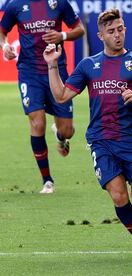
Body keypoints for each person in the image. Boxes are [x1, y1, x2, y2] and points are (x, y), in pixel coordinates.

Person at [43, 8, 132, 260]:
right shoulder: (89, 65)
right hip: (101, 141)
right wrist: (52, 65)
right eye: (111, 31)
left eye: (120, 29)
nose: (117, 35)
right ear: (101, 35)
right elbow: (61, 96)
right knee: (118, 195)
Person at [0, 0, 85, 193]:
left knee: (68, 130)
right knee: (37, 123)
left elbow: (79, 29)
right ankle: (47, 180)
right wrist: (4, 46)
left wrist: (62, 35)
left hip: (56, 69)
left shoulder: (59, 3)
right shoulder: (15, 5)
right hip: (29, 72)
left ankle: (61, 136)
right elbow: (1, 31)